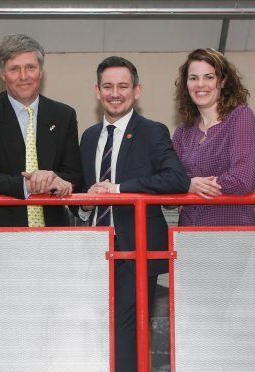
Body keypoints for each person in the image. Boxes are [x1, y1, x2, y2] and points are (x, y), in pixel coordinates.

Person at [79, 56, 190, 372]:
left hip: (136, 250)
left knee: (128, 338)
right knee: (94, 331)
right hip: (94, 252)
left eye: (123, 86)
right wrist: (86, 204)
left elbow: (176, 179)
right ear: (98, 91)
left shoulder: (153, 131)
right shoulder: (88, 137)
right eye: (108, 86)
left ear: (137, 90)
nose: (116, 93)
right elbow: (82, 192)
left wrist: (117, 190)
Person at [0, 33, 81, 227]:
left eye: (30, 67)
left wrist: (52, 178)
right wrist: (27, 185)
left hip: (52, 233)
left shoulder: (64, 115)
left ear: (41, 71)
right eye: (14, 69)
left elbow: (74, 173)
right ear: (2, 74)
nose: (24, 76)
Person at [172, 48, 255, 226]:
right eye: (193, 78)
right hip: (187, 233)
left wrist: (191, 186)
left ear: (223, 81)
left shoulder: (240, 116)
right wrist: (187, 184)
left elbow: (242, 180)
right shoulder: (182, 132)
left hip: (229, 232)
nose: (200, 84)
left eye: (209, 77)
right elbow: (169, 185)